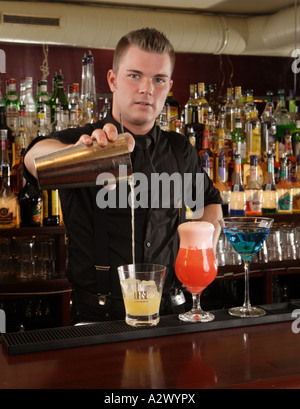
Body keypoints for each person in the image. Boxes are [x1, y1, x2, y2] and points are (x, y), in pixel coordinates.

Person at [24, 27, 222, 324]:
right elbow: (33, 157)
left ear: (169, 86)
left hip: (171, 313)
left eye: (158, 79)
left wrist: (201, 249)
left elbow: (209, 202)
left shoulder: (180, 151)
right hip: (98, 316)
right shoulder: (83, 141)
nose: (147, 88)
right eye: (134, 75)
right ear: (113, 80)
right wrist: (78, 153)